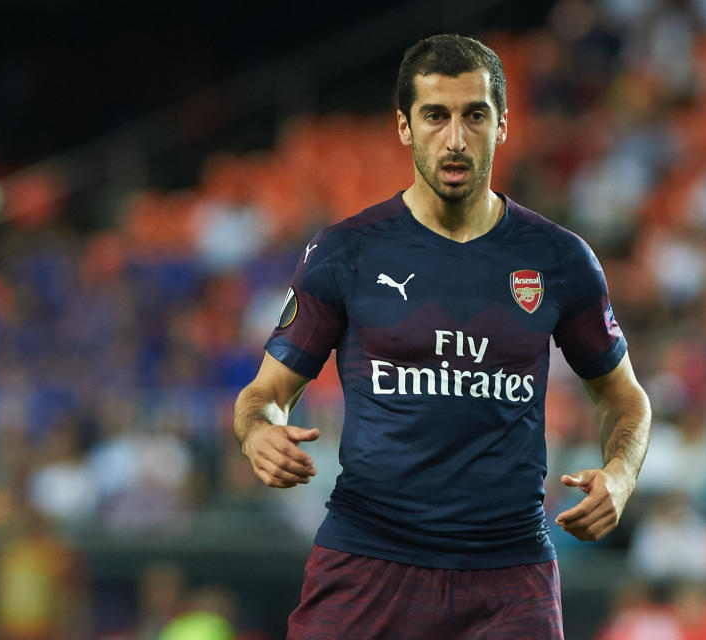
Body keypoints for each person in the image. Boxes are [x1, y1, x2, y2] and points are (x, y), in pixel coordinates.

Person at [233, 33, 651, 640]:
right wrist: (258, 432)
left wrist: (620, 474)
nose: (455, 138)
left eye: (474, 115)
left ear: (503, 123)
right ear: (404, 127)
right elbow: (264, 392)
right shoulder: (346, 251)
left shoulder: (559, 260)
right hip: (367, 561)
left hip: (509, 576)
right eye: (435, 116)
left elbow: (625, 396)